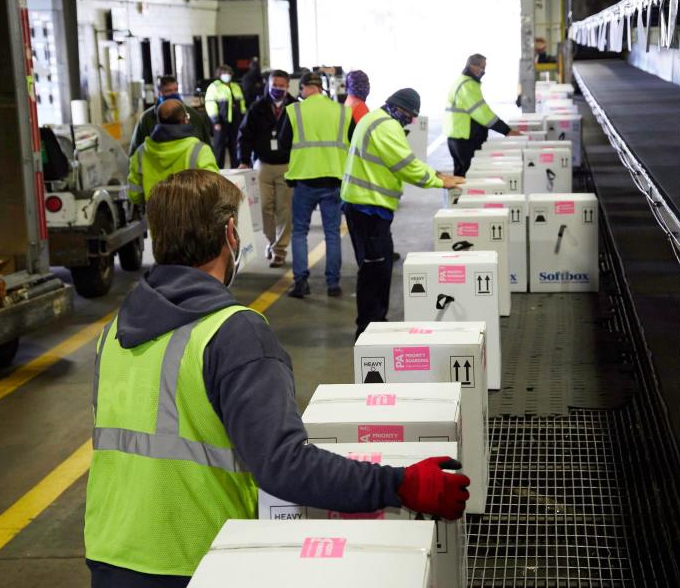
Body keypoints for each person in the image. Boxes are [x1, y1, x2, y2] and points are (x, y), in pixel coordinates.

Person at [84, 169, 469, 587]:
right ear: (231, 233)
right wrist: (400, 484)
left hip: (110, 554)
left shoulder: (115, 331)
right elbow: (283, 464)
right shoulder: (232, 332)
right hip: (193, 562)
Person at [342, 89, 465, 339]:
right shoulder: (386, 126)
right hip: (367, 208)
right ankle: (369, 328)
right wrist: (439, 182)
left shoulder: (376, 118)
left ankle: (374, 322)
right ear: (400, 109)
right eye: (409, 116)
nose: (410, 121)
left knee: (379, 266)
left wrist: (437, 174)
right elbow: (405, 165)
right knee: (374, 270)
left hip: (368, 206)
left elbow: (403, 161)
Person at [280, 72, 355, 299]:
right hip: (333, 180)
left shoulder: (295, 111)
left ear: (304, 88)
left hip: (304, 180)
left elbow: (284, 144)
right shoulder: (342, 111)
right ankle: (333, 284)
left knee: (300, 232)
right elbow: (351, 143)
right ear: (320, 88)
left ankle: (301, 282)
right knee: (332, 233)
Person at [236, 69, 296, 268]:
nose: (277, 89)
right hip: (263, 164)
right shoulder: (257, 108)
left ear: (288, 87)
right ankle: (272, 241)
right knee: (263, 209)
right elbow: (244, 135)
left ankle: (280, 250)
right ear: (268, 85)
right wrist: (243, 159)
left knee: (284, 209)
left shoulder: (295, 108)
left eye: (281, 85)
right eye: (274, 85)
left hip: (288, 165)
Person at [127, 99, 218, 205]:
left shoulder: (141, 152)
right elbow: (213, 191)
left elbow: (134, 194)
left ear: (158, 122)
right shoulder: (199, 151)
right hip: (191, 218)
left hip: (155, 218)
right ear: (185, 120)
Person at [444, 53, 520, 177]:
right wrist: (507, 131)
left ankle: (457, 197)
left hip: (457, 137)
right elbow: (482, 114)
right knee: (469, 178)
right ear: (472, 66)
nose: (483, 71)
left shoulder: (461, 81)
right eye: (481, 67)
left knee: (460, 177)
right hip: (464, 139)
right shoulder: (468, 85)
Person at [129, 75, 212, 155]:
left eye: (175, 90)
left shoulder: (193, 115)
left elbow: (206, 144)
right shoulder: (147, 118)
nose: (173, 94)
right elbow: (136, 149)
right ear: (160, 93)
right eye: (168, 91)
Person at [204, 64, 247, 169]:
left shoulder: (235, 86)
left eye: (229, 73)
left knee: (235, 147)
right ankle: (218, 170)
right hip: (221, 122)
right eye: (224, 73)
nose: (227, 75)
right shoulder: (214, 87)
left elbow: (242, 103)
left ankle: (236, 169)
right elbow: (210, 105)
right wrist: (215, 121)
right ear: (219, 74)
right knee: (219, 148)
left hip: (236, 122)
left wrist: (244, 119)